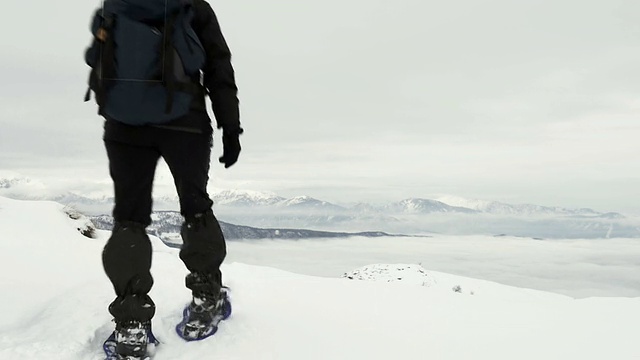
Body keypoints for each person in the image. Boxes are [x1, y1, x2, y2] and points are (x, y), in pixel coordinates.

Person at [85, 0, 241, 358]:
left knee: (129, 219)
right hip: (185, 122)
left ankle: (131, 326)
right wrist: (230, 125)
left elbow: (97, 59)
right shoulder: (192, 6)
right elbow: (219, 66)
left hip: (124, 127)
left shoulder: (115, 5)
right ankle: (206, 299)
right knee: (195, 207)